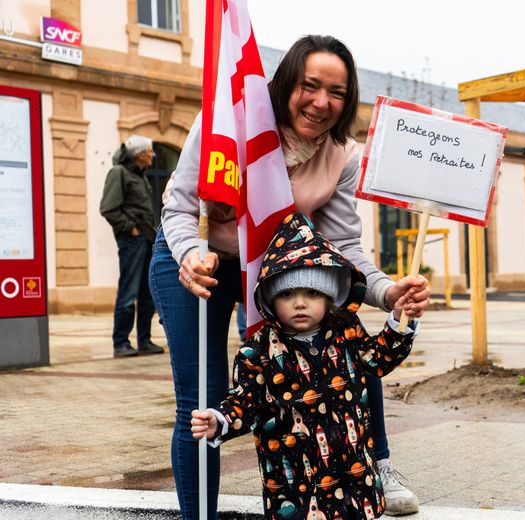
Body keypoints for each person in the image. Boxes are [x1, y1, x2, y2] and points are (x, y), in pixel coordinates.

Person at [149, 35, 429, 519]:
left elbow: (341, 248)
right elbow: (178, 207)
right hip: (199, 260)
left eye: (337, 92)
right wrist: (192, 254)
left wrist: (388, 292)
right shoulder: (227, 124)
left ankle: (378, 462)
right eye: (310, 86)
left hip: (273, 268)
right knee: (203, 399)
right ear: (285, 86)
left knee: (346, 337)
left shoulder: (343, 153)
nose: (322, 102)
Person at [192, 213, 419, 519]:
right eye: (287, 294)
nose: (300, 303)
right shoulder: (257, 350)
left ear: (329, 297)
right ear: (270, 298)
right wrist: (220, 420)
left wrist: (400, 322)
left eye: (311, 293)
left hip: (354, 483)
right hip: (293, 488)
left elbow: (377, 359)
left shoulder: (346, 331)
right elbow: (247, 402)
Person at [99, 135, 165, 358]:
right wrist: (130, 228)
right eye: (150, 151)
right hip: (132, 240)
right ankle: (121, 343)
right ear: (139, 154)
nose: (153, 155)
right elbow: (108, 208)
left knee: (147, 293)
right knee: (128, 292)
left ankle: (144, 341)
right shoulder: (118, 173)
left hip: (147, 239)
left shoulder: (141, 176)